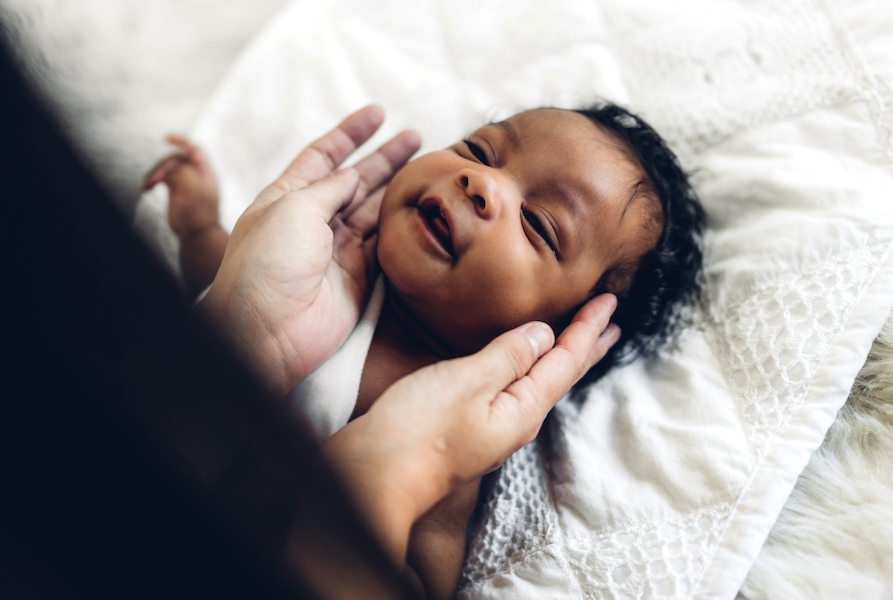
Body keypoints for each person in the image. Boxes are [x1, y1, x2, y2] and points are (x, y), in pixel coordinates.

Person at [143, 103, 704, 598]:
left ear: (561, 337)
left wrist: (389, 477)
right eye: (481, 150)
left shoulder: (453, 424)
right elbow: (229, 288)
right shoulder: (321, 267)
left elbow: (416, 580)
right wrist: (200, 230)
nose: (480, 183)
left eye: (538, 224)